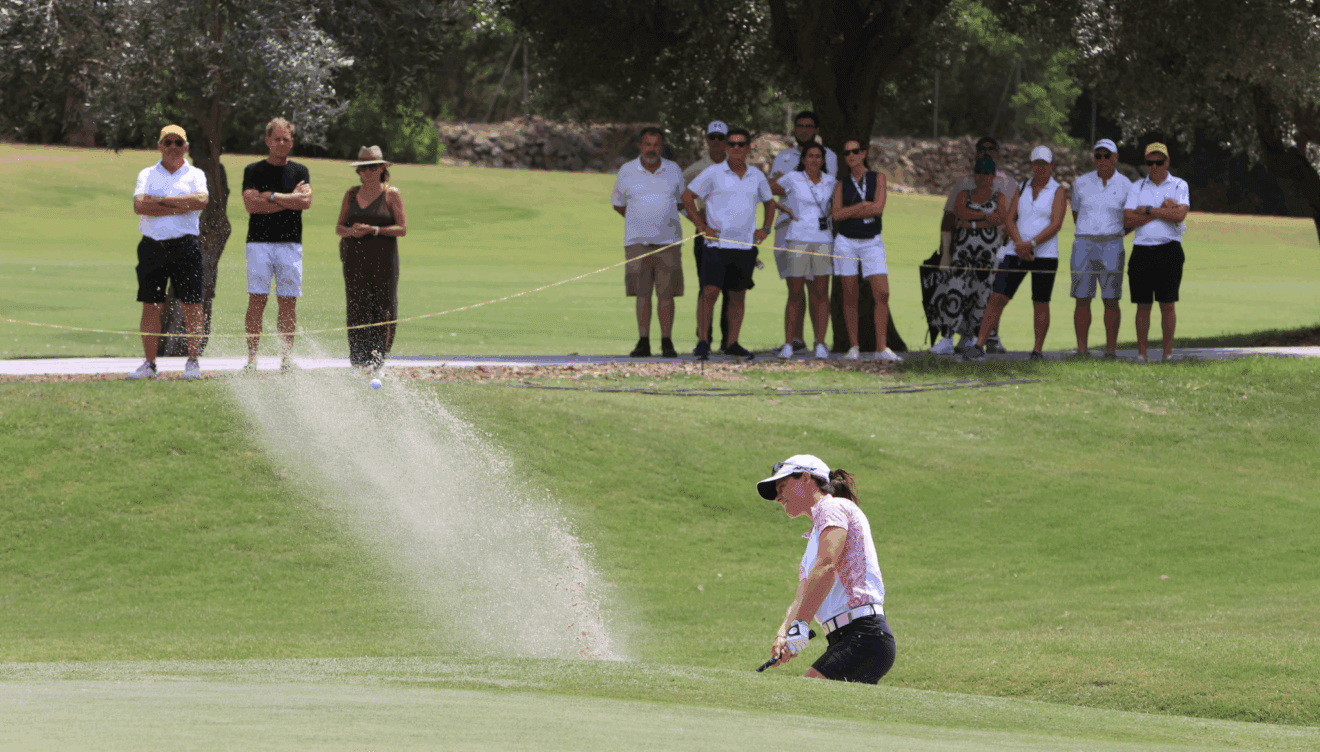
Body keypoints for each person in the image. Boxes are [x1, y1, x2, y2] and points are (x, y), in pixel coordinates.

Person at [756, 454, 896, 684]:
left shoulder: (832, 507)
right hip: (847, 639)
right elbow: (802, 594)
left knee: (803, 698)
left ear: (805, 478)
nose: (778, 497)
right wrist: (784, 633)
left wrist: (800, 625)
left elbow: (827, 567)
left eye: (782, 486)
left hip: (864, 636)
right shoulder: (814, 535)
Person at [682, 127, 776, 360]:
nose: (736, 148)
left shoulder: (757, 175)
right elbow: (687, 197)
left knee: (738, 295)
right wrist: (702, 227)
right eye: (732, 144)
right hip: (716, 246)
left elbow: (770, 203)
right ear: (726, 148)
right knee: (710, 292)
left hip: (744, 246)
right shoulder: (714, 173)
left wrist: (765, 229)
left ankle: (732, 342)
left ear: (748, 148)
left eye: (741, 144)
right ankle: (703, 341)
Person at [966, 146, 1068, 362]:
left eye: (1044, 164)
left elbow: (1056, 223)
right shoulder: (1022, 187)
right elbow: (1010, 218)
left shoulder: (1058, 190)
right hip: (1016, 251)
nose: (1040, 167)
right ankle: (979, 345)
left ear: (1051, 166)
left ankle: (1037, 350)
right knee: (997, 297)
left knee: (1040, 301)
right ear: (1031, 165)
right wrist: (1020, 244)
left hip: (1045, 254)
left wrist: (1031, 244)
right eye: (1036, 163)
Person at [127, 124, 209, 380]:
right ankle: (149, 365)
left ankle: (193, 361)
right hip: (153, 246)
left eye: (178, 142)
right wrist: (180, 204)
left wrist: (160, 202)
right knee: (151, 305)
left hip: (185, 246)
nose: (173, 147)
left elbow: (200, 202)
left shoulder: (196, 174)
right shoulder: (147, 174)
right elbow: (140, 206)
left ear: (186, 147)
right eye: (168, 142)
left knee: (192, 305)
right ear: (160, 146)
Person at [241, 117, 313, 371]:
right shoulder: (253, 170)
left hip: (290, 244)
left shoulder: (300, 171)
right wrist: (289, 198)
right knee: (257, 299)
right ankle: (251, 359)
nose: (281, 143)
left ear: (291, 142)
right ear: (267, 141)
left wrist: (270, 196)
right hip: (259, 243)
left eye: (286, 139)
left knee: (288, 302)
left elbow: (304, 202)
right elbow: (251, 205)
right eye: (277, 139)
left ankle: (286, 359)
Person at [934, 137, 1017, 354]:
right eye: (982, 150)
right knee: (960, 290)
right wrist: (945, 251)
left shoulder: (1010, 184)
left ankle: (990, 337)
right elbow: (952, 217)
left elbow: (1008, 217)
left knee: (990, 295)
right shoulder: (963, 184)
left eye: (992, 149)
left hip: (997, 247)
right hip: (964, 246)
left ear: (998, 154)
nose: (987, 153)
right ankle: (962, 336)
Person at [611, 127, 686, 358]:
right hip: (637, 243)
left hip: (669, 243)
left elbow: (682, 203)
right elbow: (618, 204)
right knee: (642, 295)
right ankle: (643, 341)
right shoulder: (627, 170)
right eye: (647, 144)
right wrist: (641, 219)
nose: (651, 149)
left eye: (655, 145)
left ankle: (667, 341)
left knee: (666, 295)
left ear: (661, 147)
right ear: (640, 146)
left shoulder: (673, 170)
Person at [769, 111, 839, 352]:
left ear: (816, 129)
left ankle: (819, 342)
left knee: (818, 289)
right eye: (800, 126)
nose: (804, 130)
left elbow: (834, 194)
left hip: (821, 235)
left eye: (809, 126)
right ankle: (794, 340)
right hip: (790, 230)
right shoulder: (785, 158)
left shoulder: (831, 157)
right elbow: (769, 187)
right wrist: (786, 203)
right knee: (795, 287)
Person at [335, 146, 407, 371]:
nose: (367, 172)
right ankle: (357, 360)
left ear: (382, 168)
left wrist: (373, 229)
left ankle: (378, 360)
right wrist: (351, 232)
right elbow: (339, 227)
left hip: (383, 260)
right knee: (356, 306)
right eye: (363, 168)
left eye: (372, 167)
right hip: (355, 259)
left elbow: (402, 228)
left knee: (382, 306)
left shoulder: (391, 194)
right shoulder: (351, 194)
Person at [831, 139, 901, 361]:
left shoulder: (877, 178)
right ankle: (854, 347)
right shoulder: (842, 184)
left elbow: (878, 208)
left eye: (854, 151)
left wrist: (854, 210)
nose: (850, 156)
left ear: (863, 153)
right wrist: (862, 207)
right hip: (846, 241)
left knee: (882, 292)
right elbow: (836, 215)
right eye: (846, 153)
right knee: (849, 294)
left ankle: (882, 348)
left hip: (872, 241)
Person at [1124, 143, 1190, 362]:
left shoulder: (1179, 185)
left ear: (1167, 162)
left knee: (1167, 304)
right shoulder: (1137, 187)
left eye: (1159, 162)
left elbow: (1180, 215)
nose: (1154, 167)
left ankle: (1167, 354)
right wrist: (1164, 211)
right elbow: (1128, 219)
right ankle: (1142, 354)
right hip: (1142, 249)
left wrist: (1149, 209)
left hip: (1169, 249)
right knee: (1143, 305)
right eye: (1150, 162)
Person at [1070, 139, 1133, 358]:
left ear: (1115, 158)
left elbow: (1130, 219)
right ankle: (1081, 349)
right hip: (1084, 242)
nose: (1103, 160)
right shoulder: (1081, 183)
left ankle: (1111, 350)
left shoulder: (1126, 184)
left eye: (1107, 156)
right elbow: (1076, 214)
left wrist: (1115, 235)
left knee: (1111, 298)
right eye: (1099, 156)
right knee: (1082, 297)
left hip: (1112, 244)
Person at [682, 121, 734, 352]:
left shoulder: (736, 167)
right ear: (707, 139)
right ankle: (704, 339)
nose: (716, 142)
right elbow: (680, 199)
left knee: (732, 287)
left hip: (733, 235)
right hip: (706, 235)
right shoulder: (696, 169)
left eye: (720, 138)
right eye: (712, 137)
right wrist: (698, 222)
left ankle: (728, 339)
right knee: (707, 287)